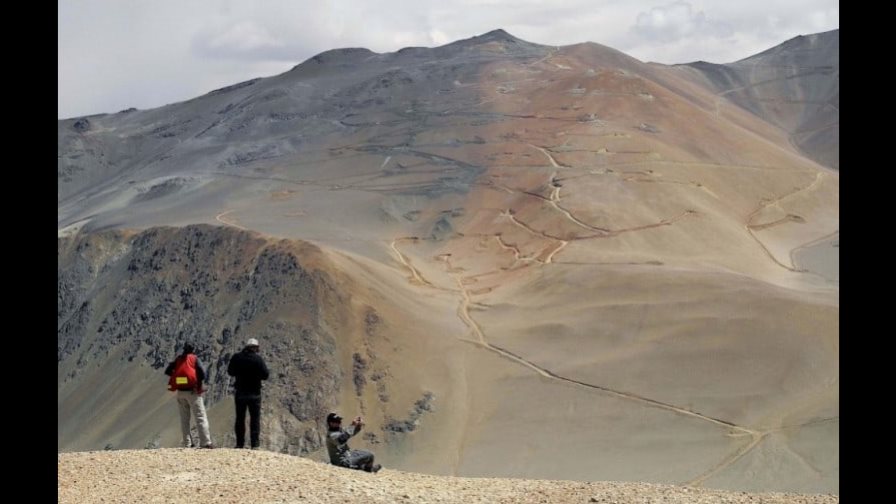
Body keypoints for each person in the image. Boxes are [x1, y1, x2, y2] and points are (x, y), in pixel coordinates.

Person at [164, 342, 214, 449]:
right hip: (193, 393)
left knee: (184, 419)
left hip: (180, 393)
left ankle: (188, 444)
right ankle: (205, 442)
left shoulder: (178, 359)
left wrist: (176, 377)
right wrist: (197, 382)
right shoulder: (194, 359)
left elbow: (167, 371)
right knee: (200, 417)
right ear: (193, 349)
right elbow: (203, 373)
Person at [227, 338, 269, 449]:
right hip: (254, 393)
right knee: (255, 419)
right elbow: (265, 375)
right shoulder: (258, 359)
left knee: (240, 418)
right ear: (255, 347)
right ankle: (254, 445)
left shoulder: (237, 357)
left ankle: (239, 444)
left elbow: (230, 372)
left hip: (240, 392)